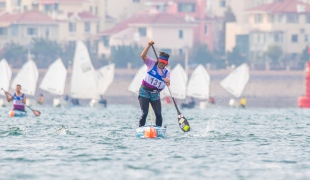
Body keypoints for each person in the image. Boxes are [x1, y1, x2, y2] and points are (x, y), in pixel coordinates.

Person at [138, 40, 170, 127]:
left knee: (159, 115)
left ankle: (158, 129)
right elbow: (143, 56)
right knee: (144, 113)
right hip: (144, 91)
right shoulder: (151, 63)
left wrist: (167, 81)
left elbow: (168, 83)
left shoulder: (166, 72)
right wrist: (148, 45)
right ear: (158, 60)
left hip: (155, 94)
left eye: (164, 64)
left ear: (166, 64)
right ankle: (141, 128)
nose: (162, 65)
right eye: (161, 62)